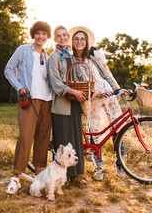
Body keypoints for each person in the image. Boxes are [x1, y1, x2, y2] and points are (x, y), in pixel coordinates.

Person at [68, 26, 125, 180]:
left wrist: (117, 89)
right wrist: (94, 93)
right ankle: (99, 167)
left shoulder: (94, 55)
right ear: (72, 42)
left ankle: (121, 164)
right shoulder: (71, 60)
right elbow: (75, 83)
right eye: (76, 39)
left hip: (108, 96)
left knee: (117, 129)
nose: (79, 42)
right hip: (92, 100)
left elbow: (107, 73)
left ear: (87, 42)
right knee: (94, 132)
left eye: (82, 39)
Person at [4, 21, 53, 194]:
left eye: (44, 34)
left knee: (42, 139)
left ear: (48, 37)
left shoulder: (48, 57)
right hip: (30, 99)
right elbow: (8, 70)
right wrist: (19, 87)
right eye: (38, 33)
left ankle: (39, 178)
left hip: (47, 100)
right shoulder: (23, 50)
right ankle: (16, 177)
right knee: (25, 136)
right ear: (33, 34)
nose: (41, 36)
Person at [48, 25, 87, 186]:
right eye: (59, 36)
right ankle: (60, 177)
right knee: (63, 142)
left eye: (65, 35)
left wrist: (85, 85)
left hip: (75, 104)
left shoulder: (71, 56)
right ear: (55, 39)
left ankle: (75, 175)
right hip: (61, 105)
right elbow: (56, 83)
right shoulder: (53, 57)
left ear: (67, 36)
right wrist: (73, 90)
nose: (63, 38)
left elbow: (80, 75)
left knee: (76, 140)